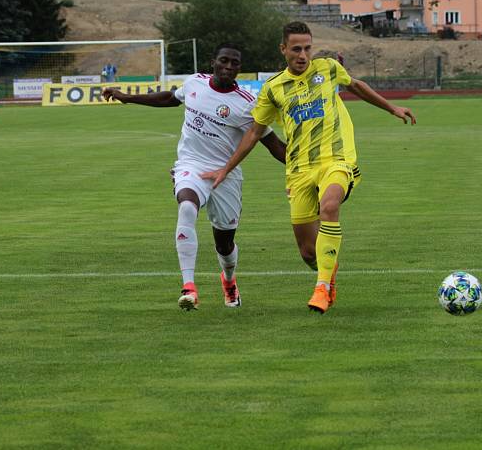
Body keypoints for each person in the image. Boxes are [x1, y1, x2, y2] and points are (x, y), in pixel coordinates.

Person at [201, 21, 416, 313]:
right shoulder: (273, 88)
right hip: (300, 170)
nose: (303, 55)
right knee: (307, 253)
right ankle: (327, 270)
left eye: (307, 48)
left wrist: (393, 108)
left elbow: (356, 86)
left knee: (329, 206)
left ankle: (322, 287)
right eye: (296, 49)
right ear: (284, 49)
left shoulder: (327, 68)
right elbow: (254, 132)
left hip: (337, 159)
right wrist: (226, 169)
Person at [102, 43, 287, 311]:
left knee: (224, 244)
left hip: (226, 174)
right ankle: (189, 287)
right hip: (192, 165)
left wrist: (306, 167)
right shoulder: (194, 83)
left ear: (239, 69)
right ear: (213, 61)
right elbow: (170, 98)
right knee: (186, 206)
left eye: (234, 63)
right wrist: (127, 97)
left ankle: (229, 280)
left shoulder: (248, 105)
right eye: (224, 60)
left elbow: (274, 146)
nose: (228, 66)